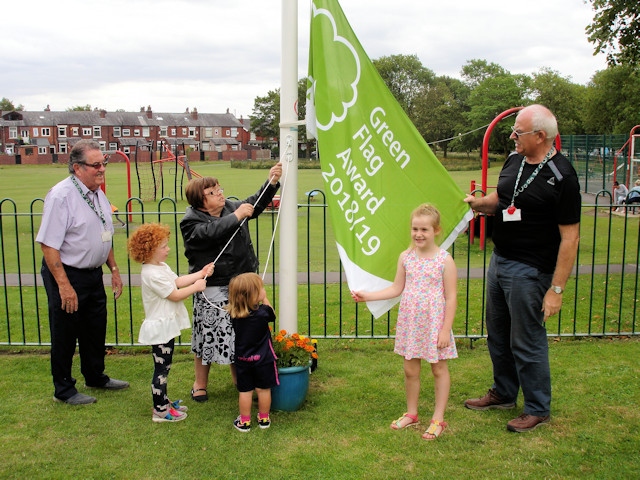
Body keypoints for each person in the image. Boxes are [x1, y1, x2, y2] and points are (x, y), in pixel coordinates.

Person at [463, 104, 581, 433]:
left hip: (532, 271)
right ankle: (503, 393)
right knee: (498, 335)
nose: (513, 136)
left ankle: (537, 407)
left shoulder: (563, 176)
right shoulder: (515, 160)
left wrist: (556, 290)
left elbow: (570, 238)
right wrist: (476, 204)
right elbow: (501, 199)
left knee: (526, 340)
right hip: (500, 261)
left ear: (541, 136)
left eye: (519, 131)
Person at [351, 203, 458, 441]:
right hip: (411, 322)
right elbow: (396, 288)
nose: (419, 234)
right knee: (410, 369)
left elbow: (451, 298)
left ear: (436, 231)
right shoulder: (406, 257)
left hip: (434, 323)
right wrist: (367, 296)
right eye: (415, 229)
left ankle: (438, 419)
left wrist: (445, 330)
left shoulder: (444, 260)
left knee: (438, 368)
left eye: (424, 229)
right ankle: (412, 413)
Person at [180, 163, 282, 402]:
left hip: (242, 283)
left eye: (219, 188)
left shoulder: (232, 207)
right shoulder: (191, 220)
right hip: (213, 286)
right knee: (207, 335)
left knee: (241, 335)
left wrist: (272, 182)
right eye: (213, 192)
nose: (220, 193)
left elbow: (254, 205)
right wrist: (237, 216)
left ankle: (242, 381)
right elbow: (208, 234)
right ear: (200, 200)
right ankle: (200, 384)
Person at [36, 139, 129, 405]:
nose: (102, 169)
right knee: (65, 330)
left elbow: (104, 232)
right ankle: (63, 389)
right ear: (77, 168)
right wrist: (64, 286)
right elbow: (49, 245)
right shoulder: (61, 196)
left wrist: (113, 268)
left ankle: (95, 375)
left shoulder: (97, 192)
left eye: (104, 163)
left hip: (93, 273)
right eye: (96, 165)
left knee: (95, 327)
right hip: (67, 273)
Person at [127, 223, 214, 422]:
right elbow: (174, 295)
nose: (168, 249)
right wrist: (197, 287)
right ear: (150, 250)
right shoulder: (151, 273)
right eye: (163, 246)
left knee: (165, 367)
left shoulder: (160, 267)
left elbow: (177, 281)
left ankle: (164, 402)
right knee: (161, 370)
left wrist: (200, 274)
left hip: (165, 327)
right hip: (159, 329)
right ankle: (159, 409)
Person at [226, 272, 278, 432]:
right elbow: (272, 314)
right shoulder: (263, 312)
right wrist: (265, 299)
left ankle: (245, 421)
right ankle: (264, 418)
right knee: (263, 390)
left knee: (245, 391)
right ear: (253, 295)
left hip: (243, 359)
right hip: (264, 359)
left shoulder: (234, 314)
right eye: (260, 289)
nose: (263, 290)